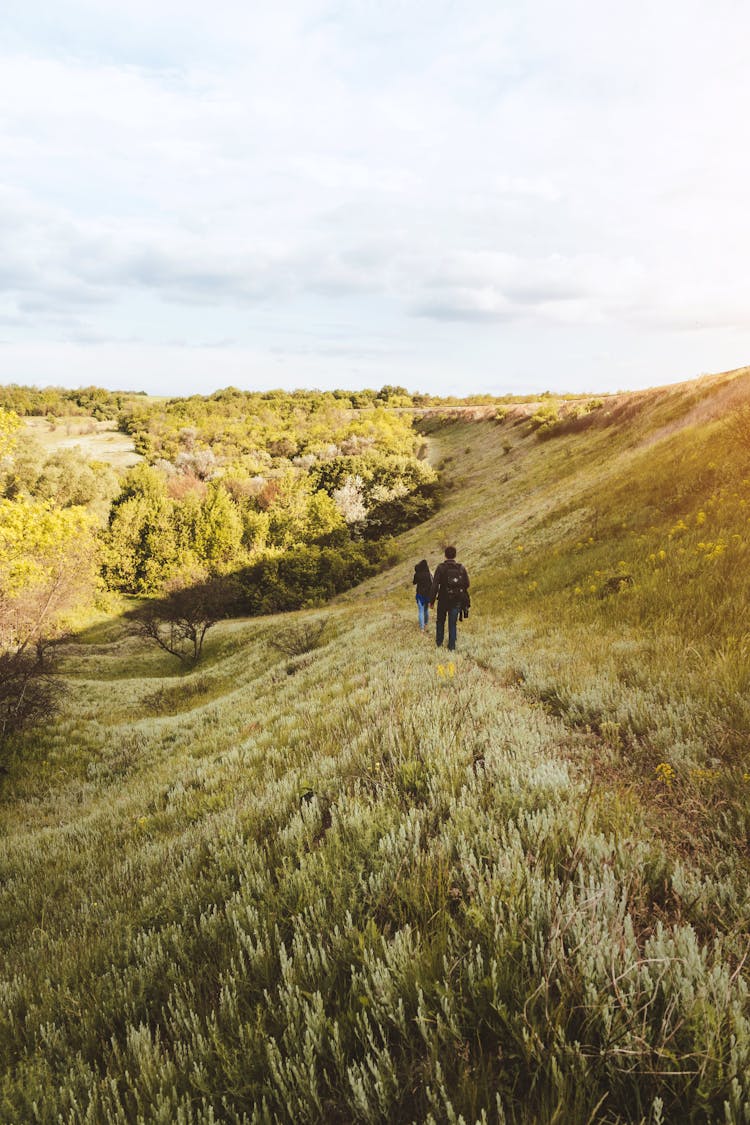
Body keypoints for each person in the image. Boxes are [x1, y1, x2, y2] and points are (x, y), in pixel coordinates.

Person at [430, 546, 470, 652]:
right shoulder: (461, 568)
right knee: (452, 623)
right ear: (455, 555)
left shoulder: (440, 568)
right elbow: (467, 584)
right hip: (456, 600)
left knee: (440, 622)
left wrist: (432, 601)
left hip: (443, 599)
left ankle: (439, 644)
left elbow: (434, 586)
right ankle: (451, 647)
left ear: (445, 555)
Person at [413, 559, 433, 631]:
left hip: (420, 594)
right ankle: (426, 624)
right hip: (427, 595)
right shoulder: (429, 574)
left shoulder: (417, 574)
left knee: (420, 611)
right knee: (426, 610)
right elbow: (432, 583)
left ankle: (422, 628)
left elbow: (414, 582)